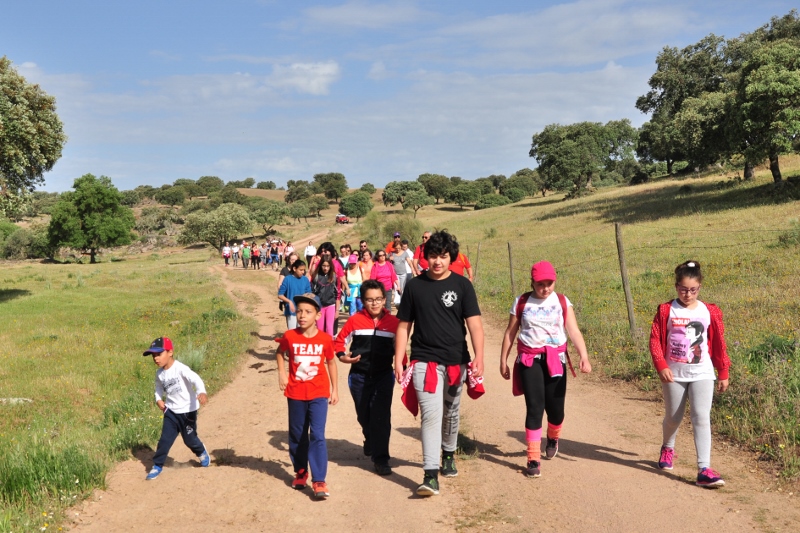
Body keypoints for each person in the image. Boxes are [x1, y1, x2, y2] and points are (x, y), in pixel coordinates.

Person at [393, 230, 485, 497]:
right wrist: (399, 357)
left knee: (451, 413)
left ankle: (448, 453)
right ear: (425, 257)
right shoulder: (414, 286)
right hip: (424, 361)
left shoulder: (462, 286)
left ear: (450, 257)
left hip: (457, 361)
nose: (437, 262)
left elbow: (475, 325)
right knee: (431, 416)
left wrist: (480, 356)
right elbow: (403, 326)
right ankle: (430, 474)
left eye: (443, 256)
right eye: (433, 256)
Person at [499, 261, 592, 478]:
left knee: (556, 409)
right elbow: (510, 333)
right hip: (530, 360)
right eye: (540, 284)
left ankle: (552, 437)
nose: (546, 288)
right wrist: (503, 360)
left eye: (549, 283)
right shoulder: (522, 302)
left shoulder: (561, 301)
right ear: (532, 282)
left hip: (555, 359)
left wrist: (584, 356)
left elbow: (574, 330)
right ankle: (533, 458)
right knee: (534, 407)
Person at [650, 260, 730, 488]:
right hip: (674, 374)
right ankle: (668, 446)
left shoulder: (710, 311)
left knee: (701, 417)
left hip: (703, 371)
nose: (688, 294)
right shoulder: (667, 310)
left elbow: (719, 343)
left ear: (700, 288)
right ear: (676, 287)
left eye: (693, 290)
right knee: (674, 417)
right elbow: (655, 339)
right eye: (684, 289)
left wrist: (723, 370)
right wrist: (661, 365)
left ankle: (704, 469)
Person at [275, 293, 339, 499]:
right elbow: (279, 352)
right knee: (297, 434)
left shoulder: (325, 339)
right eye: (300, 310)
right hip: (295, 393)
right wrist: (282, 373)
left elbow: (331, 362)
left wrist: (335, 389)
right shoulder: (290, 336)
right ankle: (301, 470)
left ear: (318, 316)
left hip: (319, 392)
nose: (302, 315)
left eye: (308, 312)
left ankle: (319, 480)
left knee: (317, 435)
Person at [334, 280, 399, 476]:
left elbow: (400, 348)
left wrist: (401, 365)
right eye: (370, 300)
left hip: (383, 376)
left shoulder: (394, 323)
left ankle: (381, 459)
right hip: (359, 377)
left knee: (381, 417)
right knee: (364, 415)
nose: (375, 303)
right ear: (362, 301)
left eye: (379, 299)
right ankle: (369, 436)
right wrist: (342, 356)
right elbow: (339, 341)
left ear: (384, 299)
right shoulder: (354, 320)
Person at [143, 337, 210, 480]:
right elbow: (158, 388)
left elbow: (195, 379)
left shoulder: (180, 368)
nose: (156, 359)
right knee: (164, 440)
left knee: (190, 439)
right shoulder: (159, 374)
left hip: (187, 411)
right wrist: (158, 399)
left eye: (159, 354)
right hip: (171, 411)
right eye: (153, 356)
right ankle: (157, 465)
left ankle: (201, 452)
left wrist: (201, 392)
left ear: (170, 352)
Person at [278, 259, 312, 330]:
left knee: (302, 332)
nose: (303, 272)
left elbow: (309, 294)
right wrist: (289, 302)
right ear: (294, 269)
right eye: (301, 270)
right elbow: (280, 295)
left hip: (303, 311)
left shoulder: (305, 280)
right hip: (291, 311)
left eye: (304, 270)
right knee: (292, 332)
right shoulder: (287, 279)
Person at [312, 258, 338, 336]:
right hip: (319, 306)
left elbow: (338, 293)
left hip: (331, 305)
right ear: (320, 266)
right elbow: (312, 291)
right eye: (324, 265)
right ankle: (321, 346)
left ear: (330, 266)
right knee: (320, 329)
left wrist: (337, 310)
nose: (326, 268)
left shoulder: (334, 276)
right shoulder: (316, 276)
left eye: (328, 266)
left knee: (329, 328)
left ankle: (329, 346)